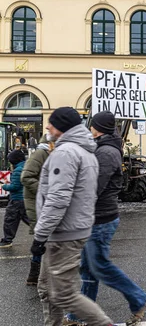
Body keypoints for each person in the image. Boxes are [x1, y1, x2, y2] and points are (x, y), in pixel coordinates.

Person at [64, 111, 146, 326]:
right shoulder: (104, 148)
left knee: (99, 266)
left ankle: (139, 298)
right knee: (88, 268)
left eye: (92, 125)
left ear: (98, 127)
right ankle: (78, 315)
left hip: (101, 218)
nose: (89, 128)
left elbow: (93, 187)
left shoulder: (106, 152)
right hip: (94, 217)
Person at [32, 107, 115, 326]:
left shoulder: (66, 152)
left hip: (63, 233)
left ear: (61, 127)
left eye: (51, 122)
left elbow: (58, 198)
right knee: (46, 289)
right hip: (67, 230)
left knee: (62, 294)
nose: (47, 126)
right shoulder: (84, 150)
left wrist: (40, 235)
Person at [21, 134, 53, 285]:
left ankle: (36, 276)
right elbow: (26, 177)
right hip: (37, 204)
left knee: (43, 239)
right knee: (42, 239)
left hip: (43, 204)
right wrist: (45, 191)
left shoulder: (49, 154)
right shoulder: (41, 153)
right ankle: (35, 275)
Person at [0, 149, 30, 248]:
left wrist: (4, 186)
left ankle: (7, 240)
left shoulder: (18, 170)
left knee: (10, 219)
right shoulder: (26, 166)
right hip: (25, 198)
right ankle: (47, 233)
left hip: (17, 199)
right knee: (30, 219)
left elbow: (15, 187)